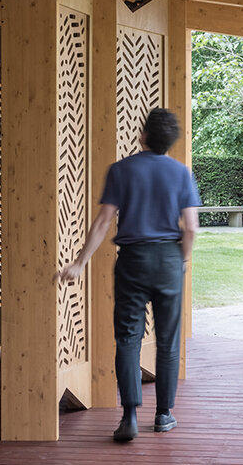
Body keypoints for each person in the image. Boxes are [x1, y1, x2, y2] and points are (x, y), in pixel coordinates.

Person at [58, 108, 200, 442]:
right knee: (167, 340)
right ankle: (164, 414)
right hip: (168, 259)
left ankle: (129, 417)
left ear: (144, 135)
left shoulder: (121, 170)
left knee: (128, 338)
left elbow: (103, 222)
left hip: (132, 261)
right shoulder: (181, 173)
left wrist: (79, 263)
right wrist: (182, 259)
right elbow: (191, 226)